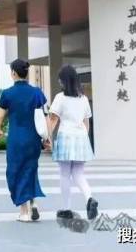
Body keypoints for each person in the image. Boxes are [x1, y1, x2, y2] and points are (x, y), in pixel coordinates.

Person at [0, 58, 50, 222]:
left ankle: (24, 212)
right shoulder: (37, 92)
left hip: (16, 139)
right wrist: (47, 137)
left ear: (13, 73)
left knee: (15, 171)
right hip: (33, 139)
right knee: (30, 169)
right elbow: (45, 116)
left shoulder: (7, 93)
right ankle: (33, 202)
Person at [48, 64, 99, 221]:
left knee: (64, 174)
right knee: (78, 174)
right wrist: (84, 138)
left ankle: (66, 209)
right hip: (81, 137)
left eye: (60, 79)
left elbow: (53, 120)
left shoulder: (60, 98)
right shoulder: (83, 99)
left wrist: (48, 138)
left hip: (65, 136)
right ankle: (89, 198)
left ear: (63, 81)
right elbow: (86, 122)